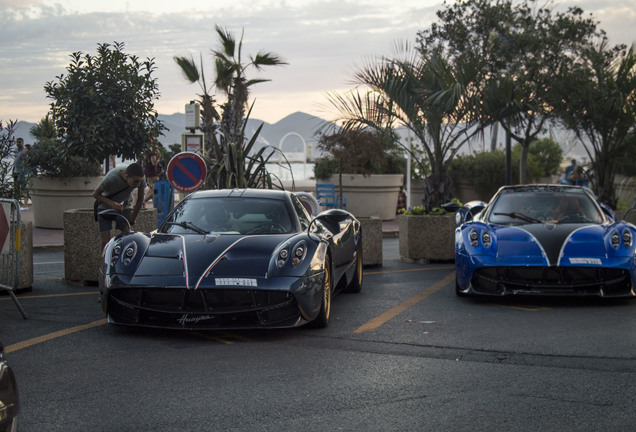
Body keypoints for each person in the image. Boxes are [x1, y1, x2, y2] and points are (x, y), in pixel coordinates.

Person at [93, 162, 146, 250]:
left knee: (127, 237)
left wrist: (131, 221)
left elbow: (140, 200)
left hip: (124, 205)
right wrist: (112, 204)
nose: (138, 185)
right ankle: (104, 261)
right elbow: (95, 194)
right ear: (126, 177)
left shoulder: (140, 179)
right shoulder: (111, 178)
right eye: (136, 181)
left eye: (140, 181)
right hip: (105, 204)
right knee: (105, 241)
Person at [12, 138, 26, 203]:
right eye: (17, 142)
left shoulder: (24, 151)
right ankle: (16, 202)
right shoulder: (16, 151)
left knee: (23, 188)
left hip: (21, 172)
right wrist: (13, 169)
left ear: (23, 142)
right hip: (15, 172)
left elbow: (26, 161)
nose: (18, 143)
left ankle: (25, 202)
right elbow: (15, 161)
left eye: (20, 142)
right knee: (16, 188)